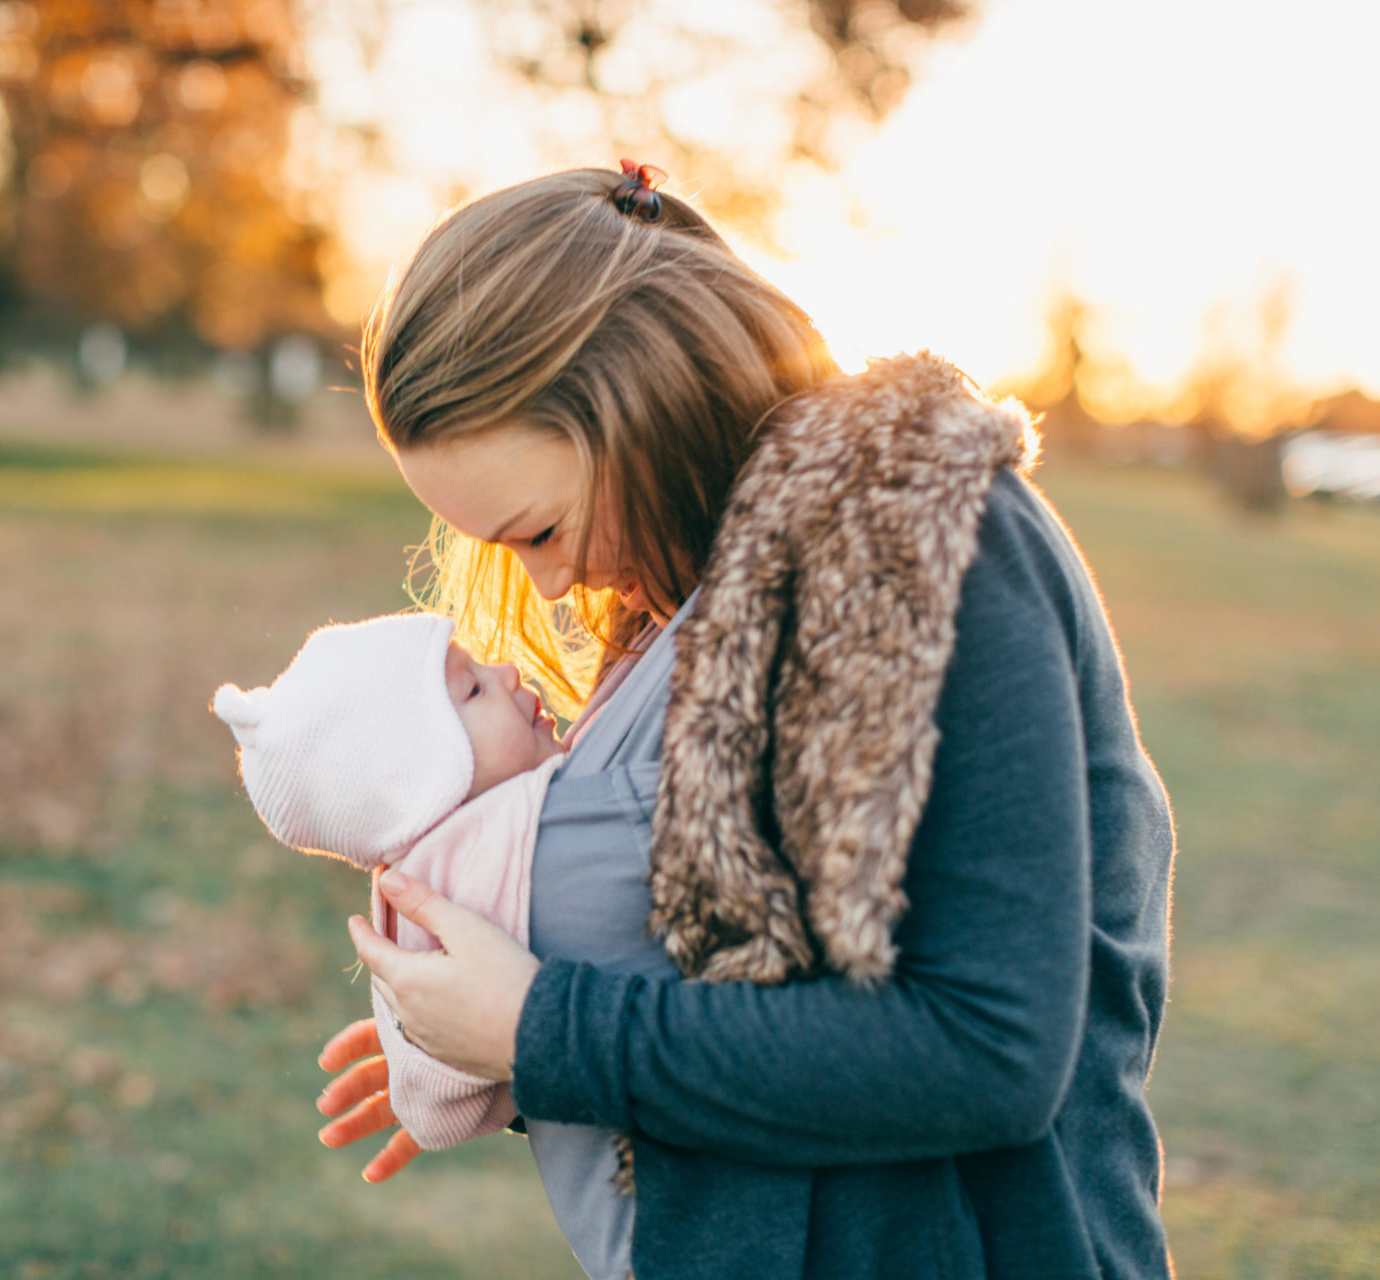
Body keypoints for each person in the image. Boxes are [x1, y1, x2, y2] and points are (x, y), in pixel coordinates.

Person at [314, 163, 1177, 1280]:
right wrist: (501, 1050)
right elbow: (739, 993)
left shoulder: (921, 539)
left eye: (540, 529)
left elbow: (988, 1053)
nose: (552, 588)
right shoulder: (698, 600)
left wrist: (548, 1028)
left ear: (637, 400)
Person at [213, 612, 565, 1149]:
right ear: (427, 786)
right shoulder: (454, 880)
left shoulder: (515, 819)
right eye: (474, 688)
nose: (510, 672)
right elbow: (438, 1105)